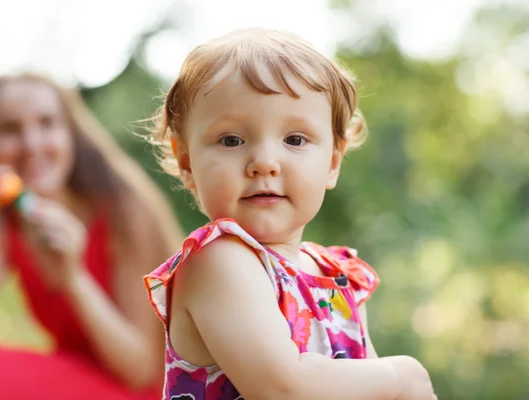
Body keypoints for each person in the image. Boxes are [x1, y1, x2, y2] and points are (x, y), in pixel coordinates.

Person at [143, 28, 437, 400]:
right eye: (231, 140)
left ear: (333, 162)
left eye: (294, 139)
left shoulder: (336, 276)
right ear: (187, 161)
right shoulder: (219, 261)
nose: (264, 162)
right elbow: (282, 389)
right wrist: (404, 377)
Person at [0, 73, 183, 399]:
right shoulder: (3, 224)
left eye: (47, 123)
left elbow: (141, 371)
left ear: (71, 134)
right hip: (73, 379)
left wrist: (73, 278)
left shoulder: (125, 209)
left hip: (151, 389)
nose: (31, 144)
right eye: (9, 129)